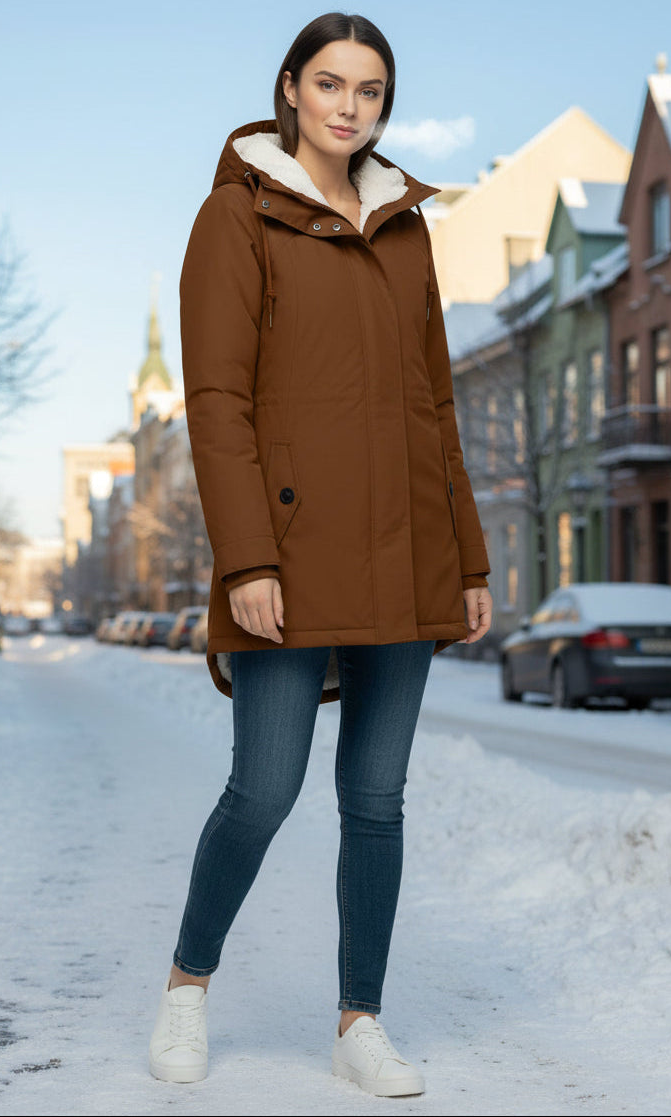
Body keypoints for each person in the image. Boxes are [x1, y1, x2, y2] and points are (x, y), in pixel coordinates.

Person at [149, 10, 492, 1097]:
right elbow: (215, 402)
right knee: (261, 788)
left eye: (371, 91)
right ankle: (186, 988)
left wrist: (469, 559)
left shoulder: (405, 227)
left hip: (407, 554)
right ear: (291, 88)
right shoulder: (235, 217)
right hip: (287, 560)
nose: (349, 107)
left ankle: (359, 1021)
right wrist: (247, 558)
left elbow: (434, 405)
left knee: (376, 798)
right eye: (331, 84)